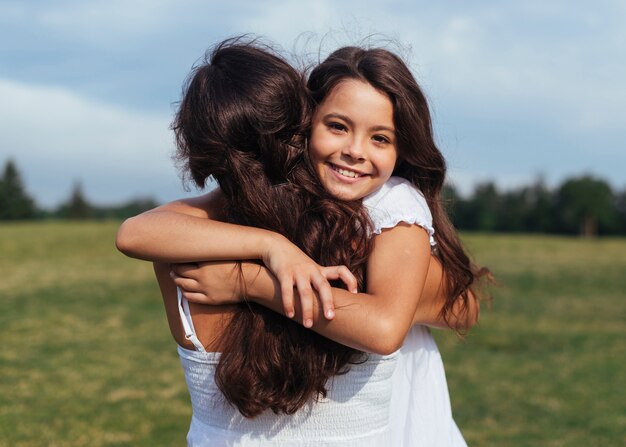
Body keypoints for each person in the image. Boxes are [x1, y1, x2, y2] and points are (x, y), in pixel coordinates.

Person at [117, 41, 488, 446]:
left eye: (380, 138)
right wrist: (272, 246)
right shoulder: (335, 231)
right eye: (337, 126)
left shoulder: (387, 212)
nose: (354, 151)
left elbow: (455, 307)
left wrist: (252, 282)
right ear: (302, 127)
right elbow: (133, 233)